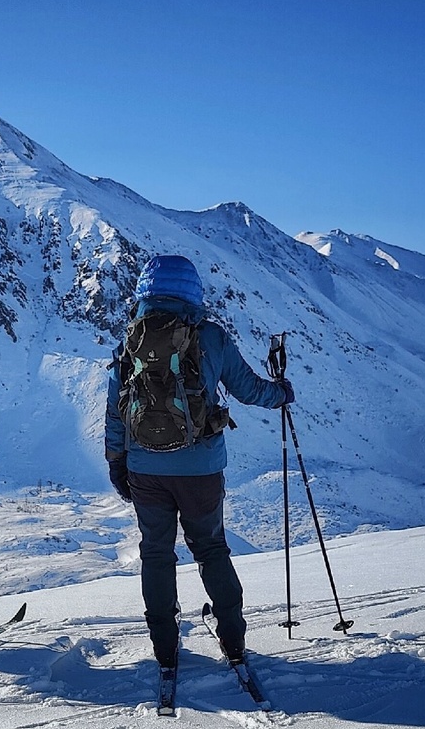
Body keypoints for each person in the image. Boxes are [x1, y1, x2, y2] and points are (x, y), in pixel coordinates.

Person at [104, 255, 293, 667]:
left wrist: (117, 462)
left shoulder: (130, 341)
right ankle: (233, 639)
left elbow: (115, 410)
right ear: (193, 292)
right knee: (211, 549)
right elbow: (248, 389)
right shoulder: (211, 337)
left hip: (145, 469)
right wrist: (281, 393)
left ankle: (165, 647)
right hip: (201, 470)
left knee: (156, 554)